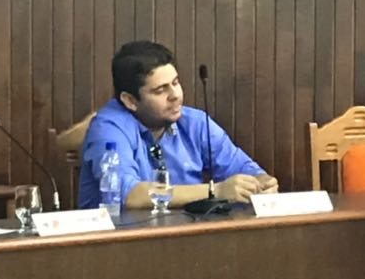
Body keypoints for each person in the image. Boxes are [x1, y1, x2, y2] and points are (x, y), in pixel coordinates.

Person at [78, 41, 278, 210]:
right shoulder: (108, 128)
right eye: (160, 90)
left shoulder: (195, 123)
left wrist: (262, 182)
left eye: (175, 83)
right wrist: (215, 191)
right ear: (130, 100)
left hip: (185, 236)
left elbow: (243, 168)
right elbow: (129, 195)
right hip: (118, 240)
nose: (175, 95)